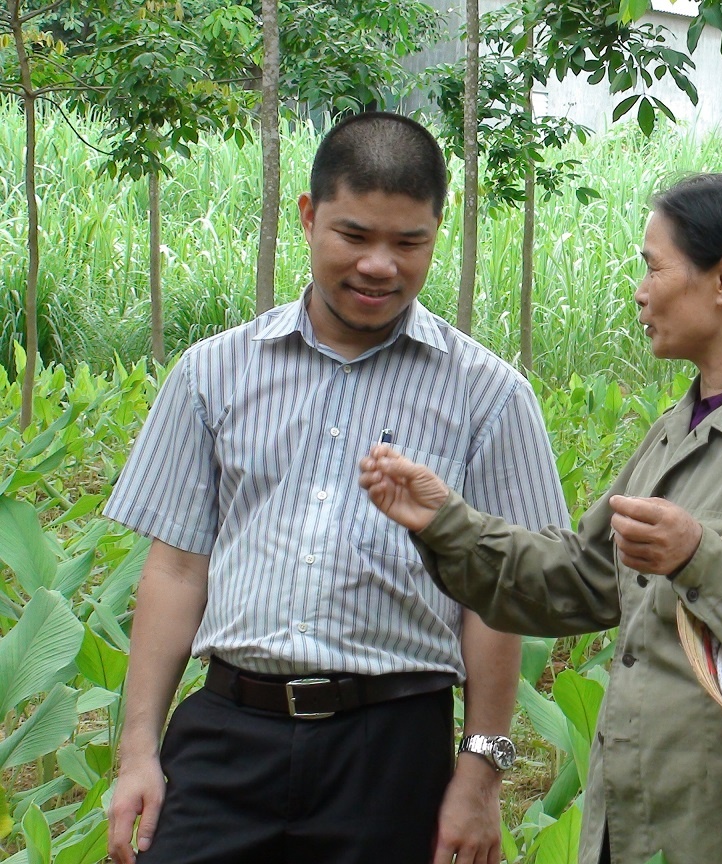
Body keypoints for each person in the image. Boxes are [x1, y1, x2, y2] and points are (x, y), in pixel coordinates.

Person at [358, 173, 722, 864]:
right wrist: (446, 522)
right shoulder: (676, 428)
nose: (639, 290)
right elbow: (581, 576)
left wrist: (702, 556)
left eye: (653, 266)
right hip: (631, 816)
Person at [104, 111, 568, 864]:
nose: (379, 265)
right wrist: (137, 754)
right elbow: (176, 569)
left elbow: (500, 596)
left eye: (408, 242)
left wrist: (480, 775)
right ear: (309, 218)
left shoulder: (490, 396)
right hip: (228, 729)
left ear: (436, 232)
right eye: (354, 236)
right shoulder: (213, 373)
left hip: (391, 744)